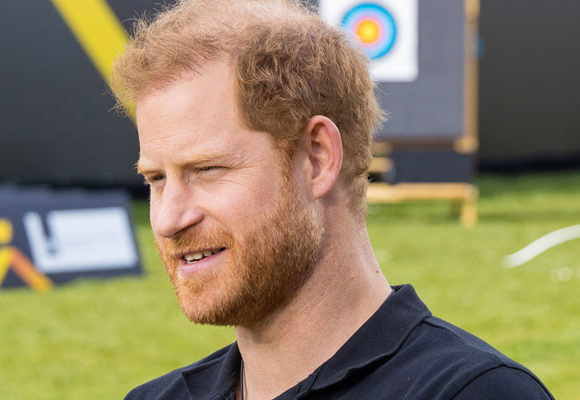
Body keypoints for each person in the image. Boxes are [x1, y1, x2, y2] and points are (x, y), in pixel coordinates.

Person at [111, 0, 553, 398]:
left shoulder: (476, 392)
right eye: (156, 178)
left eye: (207, 169)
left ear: (317, 159)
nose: (168, 219)